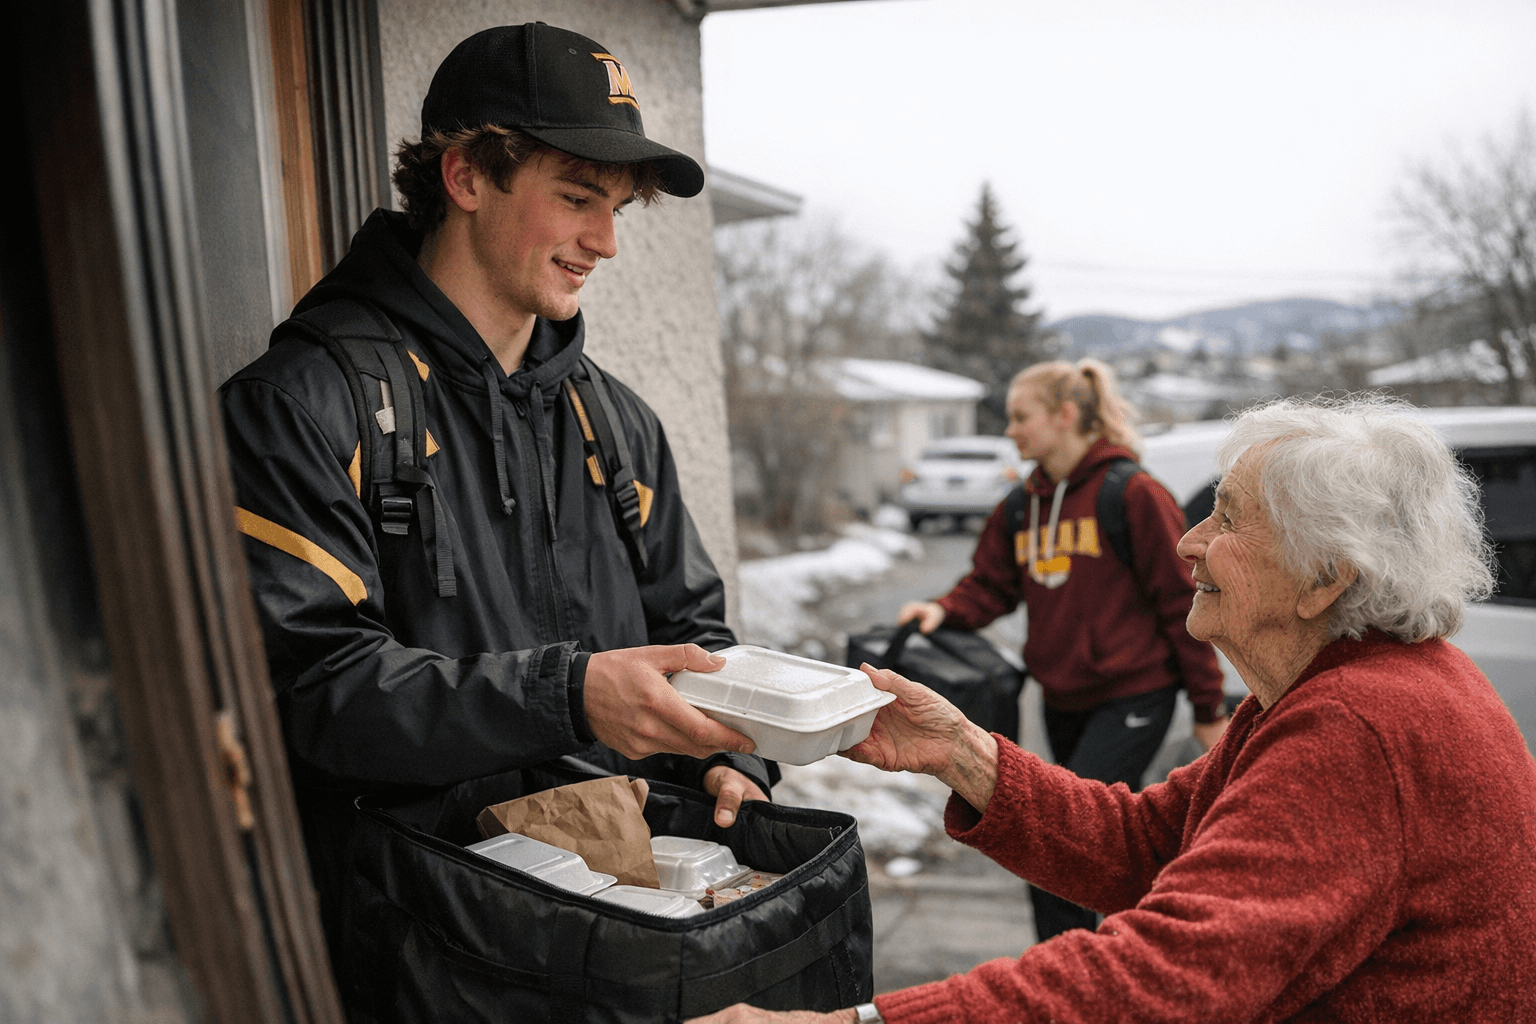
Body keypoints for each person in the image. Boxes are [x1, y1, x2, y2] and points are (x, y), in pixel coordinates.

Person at [690, 394, 1536, 1024]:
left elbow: (1170, 974)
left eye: (1228, 519)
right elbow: (1149, 844)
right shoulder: (1342, 689)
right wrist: (959, 752)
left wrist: (863, 1022)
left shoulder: (1360, 726)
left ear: (1327, 581)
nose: (1189, 542)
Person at [219, 22, 770, 948]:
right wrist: (568, 695)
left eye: (618, 209)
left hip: (619, 935)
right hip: (423, 951)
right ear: (468, 176)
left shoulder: (618, 422)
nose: (604, 241)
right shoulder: (299, 407)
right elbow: (305, 693)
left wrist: (734, 759)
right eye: (577, 197)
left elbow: (695, 633)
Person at [897, 357, 1224, 942]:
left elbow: (1184, 606)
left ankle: (1091, 969)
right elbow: (990, 584)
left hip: (1134, 694)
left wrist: (1206, 709)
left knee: (1060, 836)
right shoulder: (1023, 505)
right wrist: (943, 609)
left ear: (1066, 415)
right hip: (1062, 698)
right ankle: (1079, 966)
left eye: (1021, 417)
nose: (1010, 431)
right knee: (1064, 842)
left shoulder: (1134, 493)